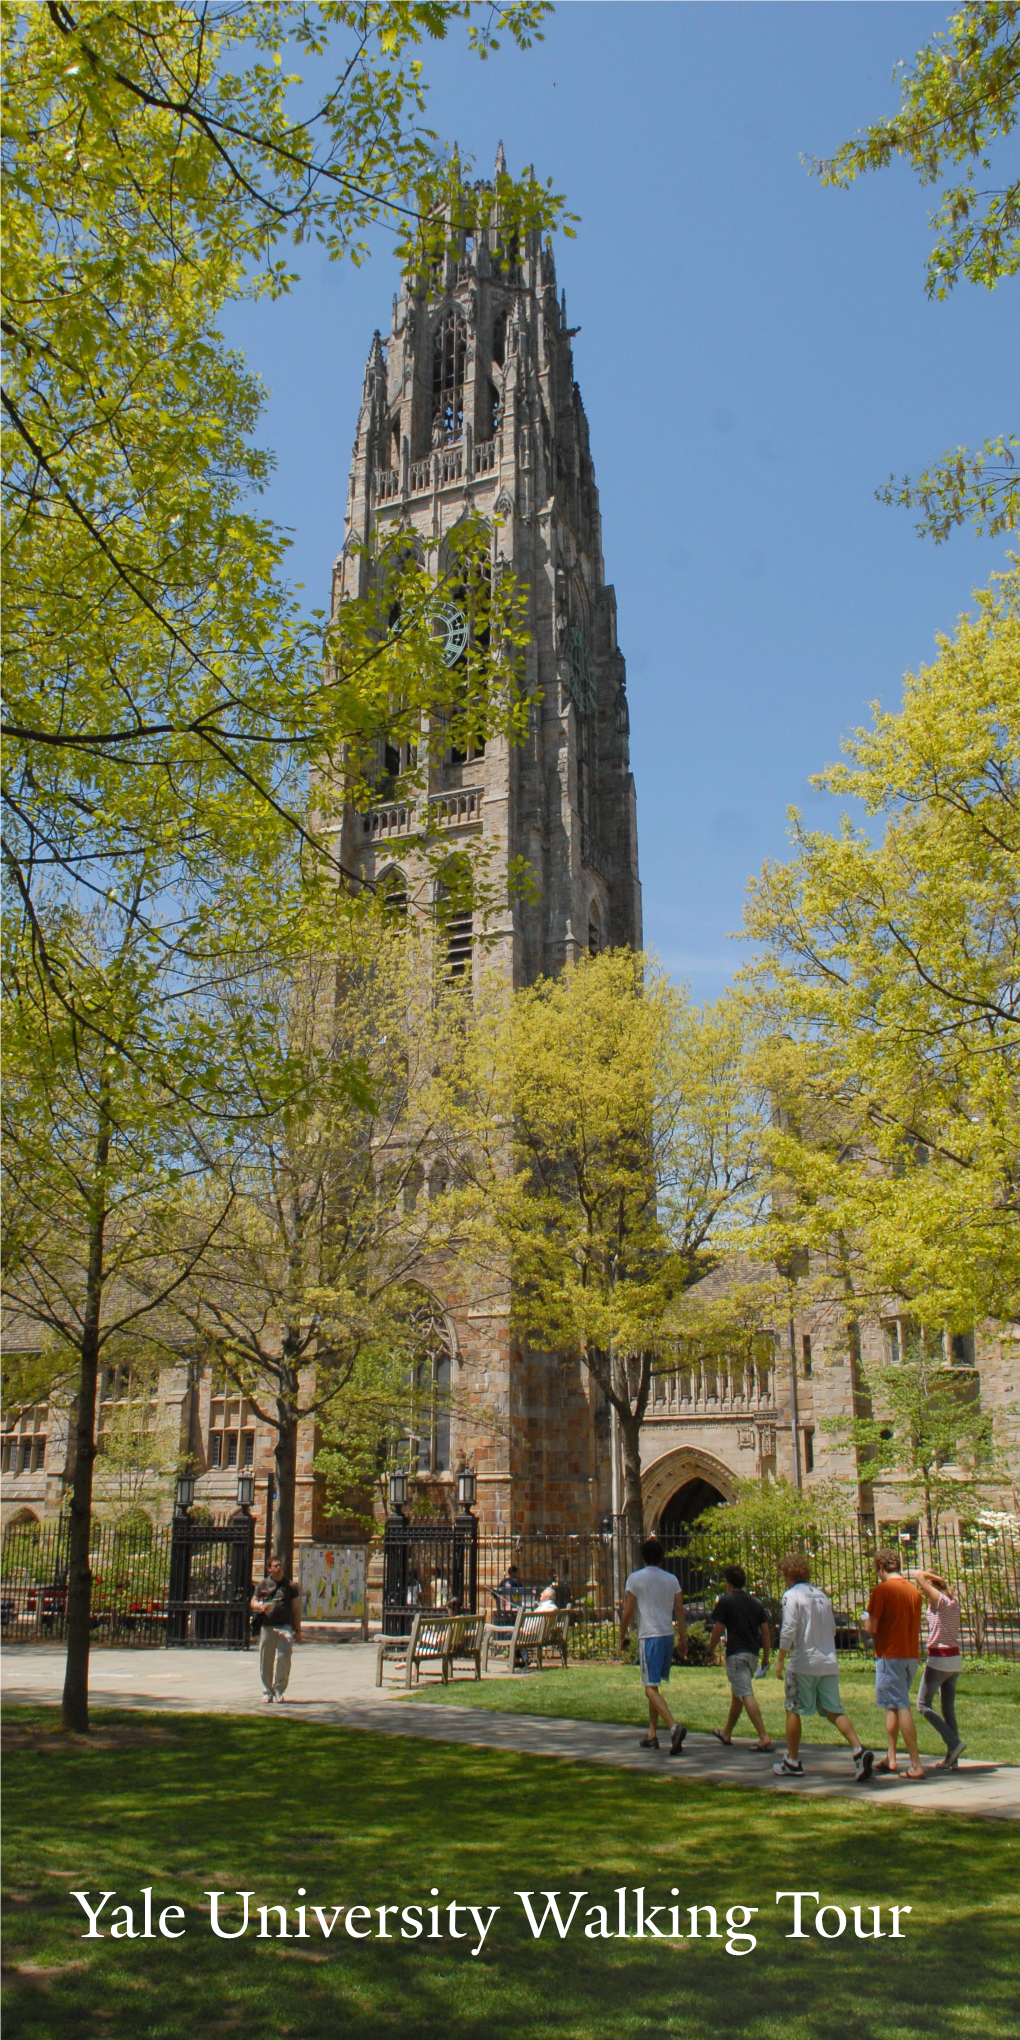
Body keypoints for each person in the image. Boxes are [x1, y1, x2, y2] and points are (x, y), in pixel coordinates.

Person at [773, 1552, 873, 1782]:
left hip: (803, 1662)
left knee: (793, 1708)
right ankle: (858, 1749)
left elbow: (788, 1628)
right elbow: (832, 1629)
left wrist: (780, 1658)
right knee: (833, 1709)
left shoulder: (791, 1596)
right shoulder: (822, 1596)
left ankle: (793, 1760)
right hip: (828, 1661)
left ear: (788, 1574)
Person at [619, 1536, 688, 1755]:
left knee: (649, 1687)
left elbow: (628, 1609)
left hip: (649, 1636)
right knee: (654, 1684)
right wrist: (683, 1639)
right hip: (667, 1635)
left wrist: (621, 1633)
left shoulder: (635, 1578)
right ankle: (652, 1734)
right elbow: (680, 1610)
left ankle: (673, 1727)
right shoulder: (672, 1579)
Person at [863, 1548, 925, 1780]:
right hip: (910, 1654)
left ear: (880, 1567)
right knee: (892, 1704)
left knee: (900, 1705)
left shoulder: (882, 1590)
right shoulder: (913, 1591)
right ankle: (891, 1757)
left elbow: (872, 1627)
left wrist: (864, 1619)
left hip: (890, 1654)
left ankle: (916, 1764)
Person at [706, 1563, 773, 1752]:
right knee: (737, 1695)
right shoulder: (756, 1603)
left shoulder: (726, 1601)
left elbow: (718, 1629)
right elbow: (765, 1631)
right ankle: (726, 1732)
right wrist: (766, 1657)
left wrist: (709, 1651)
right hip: (752, 1654)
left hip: (736, 1654)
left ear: (728, 1583)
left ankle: (763, 1736)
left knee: (745, 1693)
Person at [914, 1567, 966, 1769]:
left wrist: (929, 1576)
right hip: (954, 1660)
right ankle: (952, 1758)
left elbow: (918, 1576)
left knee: (923, 1705)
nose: (924, 1592)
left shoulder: (942, 1602)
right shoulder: (952, 1603)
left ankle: (953, 1743)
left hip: (940, 1659)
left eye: (927, 1589)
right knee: (947, 1709)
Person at [251, 1555, 301, 1704]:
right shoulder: (263, 1585)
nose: (279, 1568)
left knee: (284, 1657)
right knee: (266, 1659)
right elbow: (252, 1602)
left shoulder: (291, 1586)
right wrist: (260, 1607)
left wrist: (298, 1630)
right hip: (267, 1625)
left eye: (280, 1565)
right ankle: (267, 1691)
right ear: (269, 1568)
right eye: (275, 1566)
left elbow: (296, 1609)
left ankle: (279, 1690)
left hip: (285, 1626)